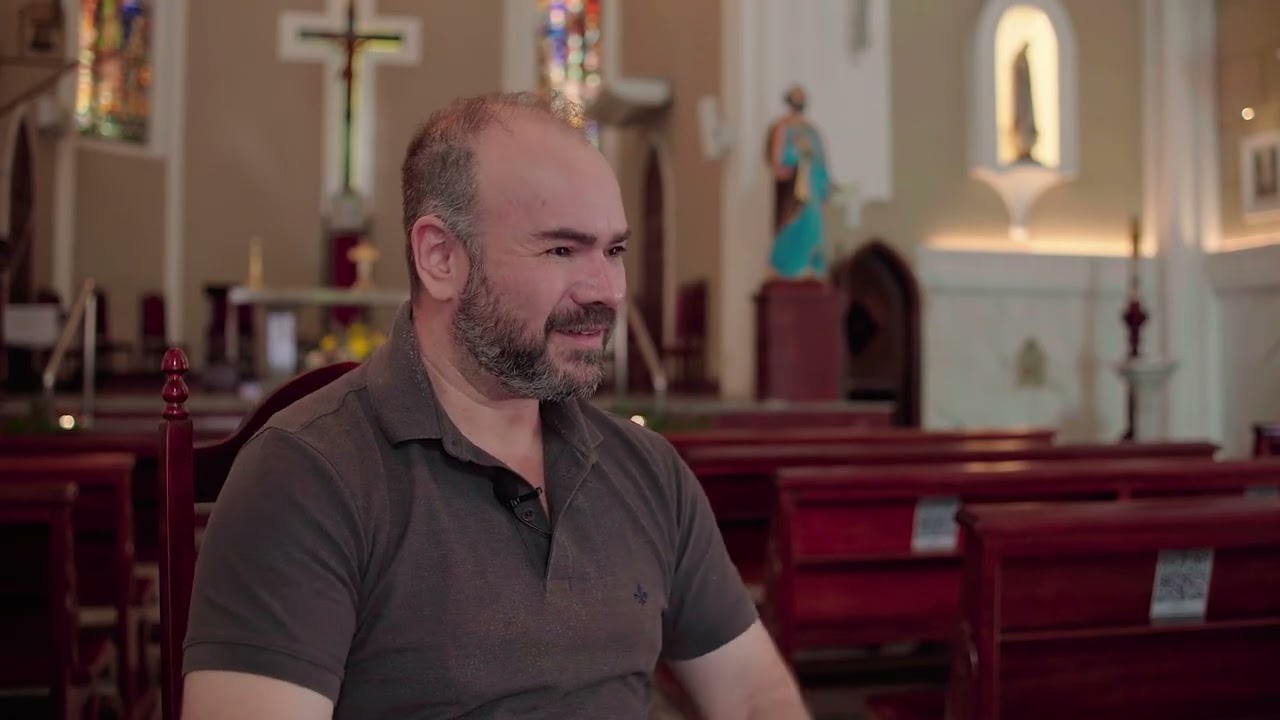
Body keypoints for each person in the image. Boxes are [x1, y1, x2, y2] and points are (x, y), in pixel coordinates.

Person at [181, 92, 810, 720]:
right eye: (562, 249)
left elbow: (754, 697)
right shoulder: (305, 476)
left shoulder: (648, 468)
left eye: (614, 250)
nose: (608, 292)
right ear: (441, 258)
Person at [765, 85, 832, 280]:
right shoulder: (783, 127)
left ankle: (811, 269)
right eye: (795, 98)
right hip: (794, 188)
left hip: (813, 186)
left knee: (812, 229)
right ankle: (785, 268)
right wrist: (790, 166)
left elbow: (821, 160)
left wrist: (825, 187)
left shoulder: (812, 131)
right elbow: (778, 161)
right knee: (791, 225)